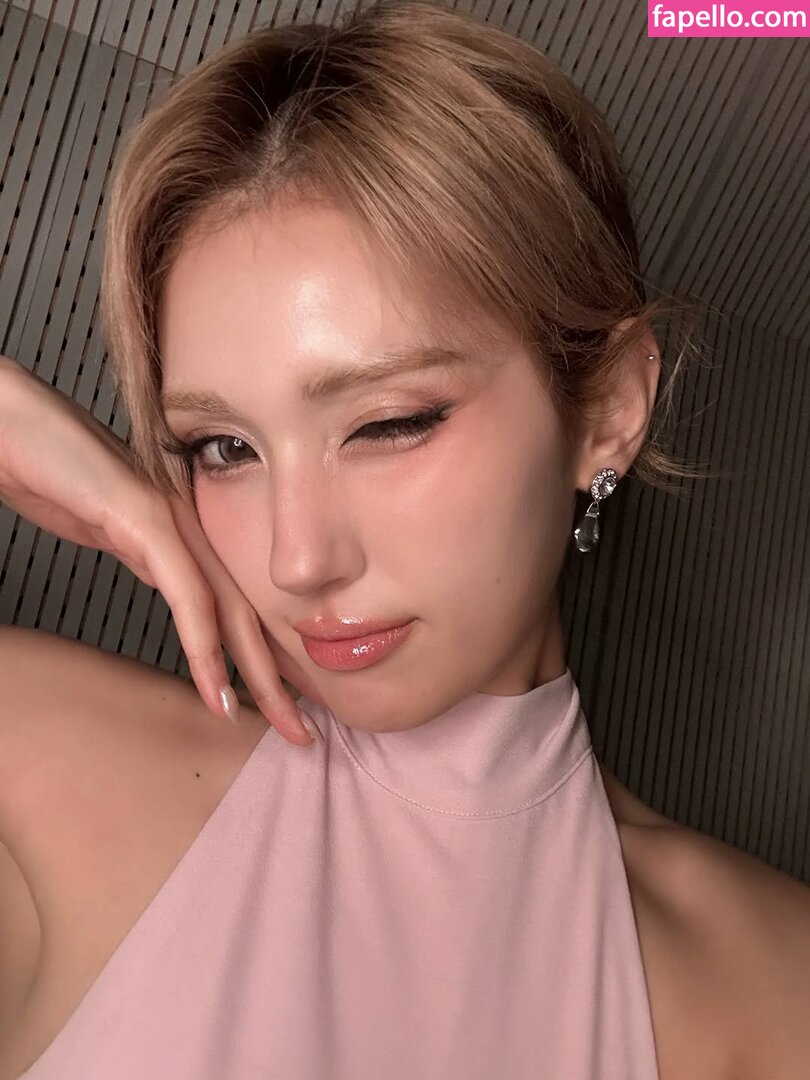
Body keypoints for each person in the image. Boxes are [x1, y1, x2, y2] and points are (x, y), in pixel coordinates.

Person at [0, 1, 808, 1077]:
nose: (297, 561)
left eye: (388, 424)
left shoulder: (770, 976)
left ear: (610, 408)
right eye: (223, 448)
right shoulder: (46, 771)